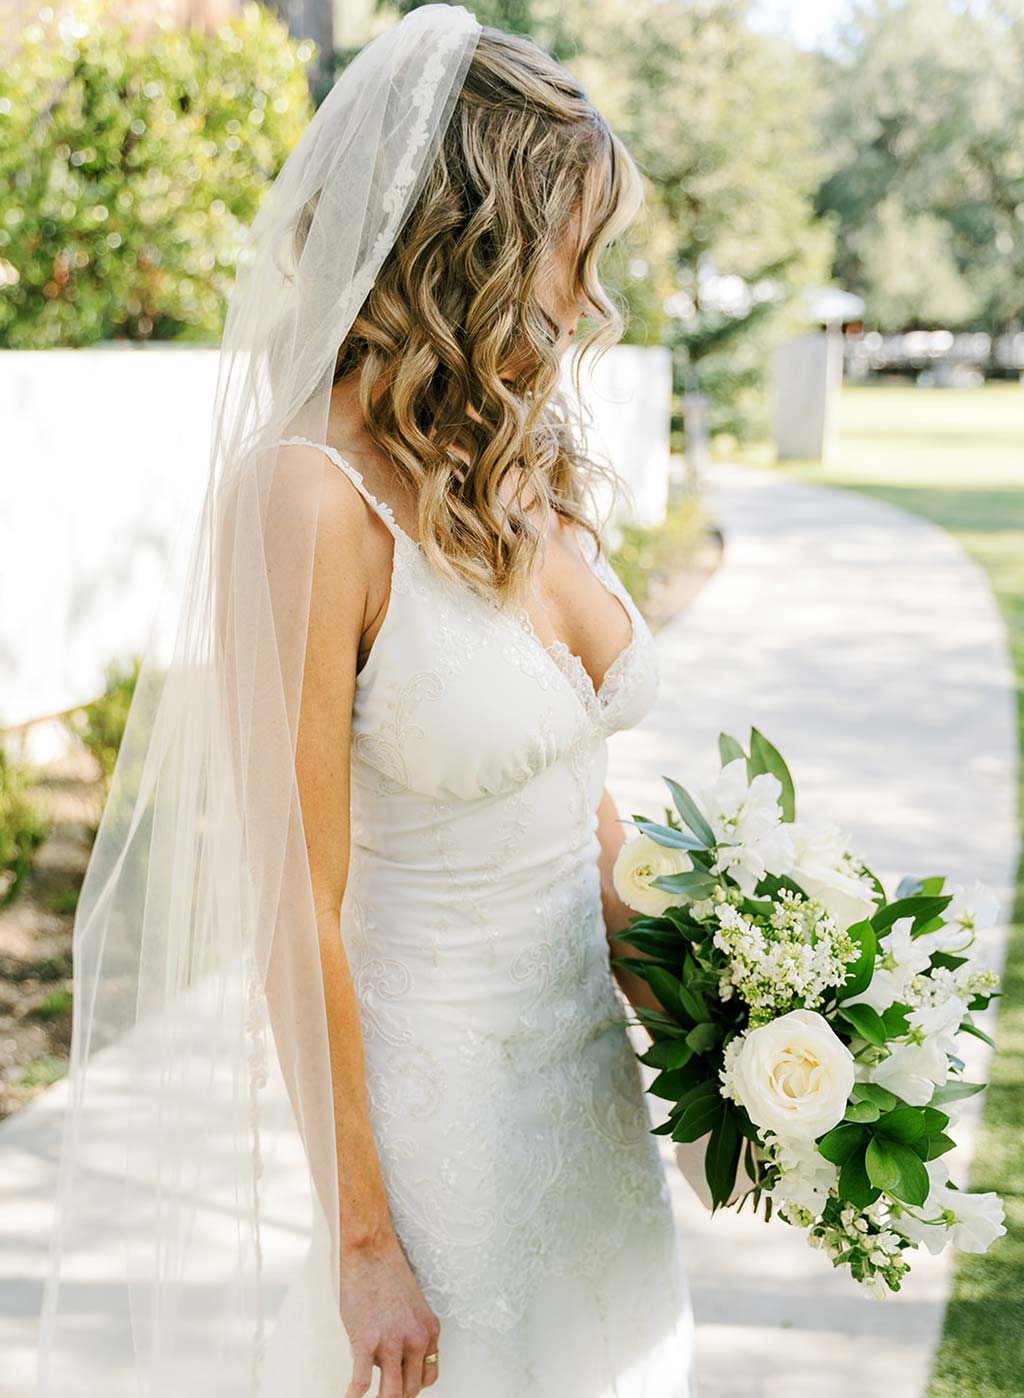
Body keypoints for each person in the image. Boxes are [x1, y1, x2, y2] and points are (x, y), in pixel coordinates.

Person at [36, 8, 696, 1397]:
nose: (588, 297)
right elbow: (294, 901)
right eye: (572, 245)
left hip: (600, 1120)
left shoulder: (525, 462)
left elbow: (573, 803)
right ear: (482, 240)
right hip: (440, 1141)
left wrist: (731, 1021)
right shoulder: (310, 497)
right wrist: (365, 1240)